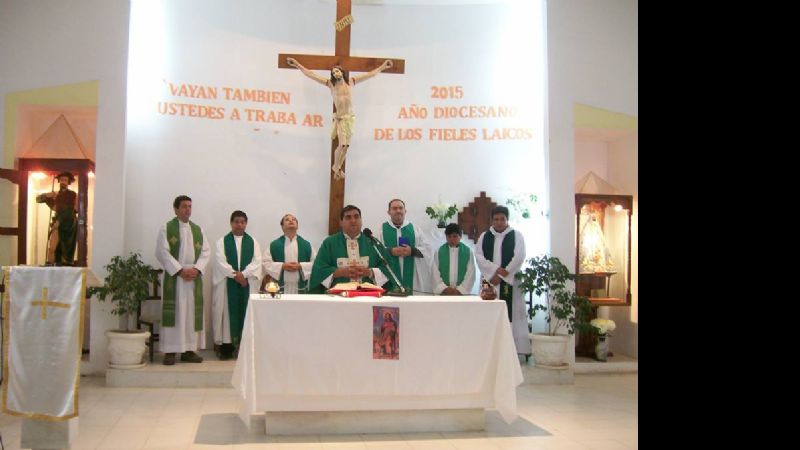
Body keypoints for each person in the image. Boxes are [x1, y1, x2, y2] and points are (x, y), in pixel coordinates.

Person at [286, 57, 394, 180]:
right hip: (341, 119)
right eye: (333, 73)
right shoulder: (331, 85)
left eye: (337, 71)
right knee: (342, 145)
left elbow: (370, 74)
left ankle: (338, 167)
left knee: (346, 146)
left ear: (342, 72)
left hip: (350, 119)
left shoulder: (351, 82)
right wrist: (297, 64)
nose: (335, 74)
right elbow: (311, 74)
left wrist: (384, 66)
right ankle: (336, 167)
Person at [155, 195, 211, 365]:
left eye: (190, 206)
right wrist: (179, 270)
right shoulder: (166, 228)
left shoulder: (198, 230)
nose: (188, 209)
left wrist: (196, 269)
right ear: (176, 209)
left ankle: (189, 350)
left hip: (193, 277)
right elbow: (162, 252)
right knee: (176, 313)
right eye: (185, 206)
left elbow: (206, 252)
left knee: (191, 314)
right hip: (176, 278)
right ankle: (171, 351)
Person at [475, 206, 530, 355]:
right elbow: (479, 256)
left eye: (502, 219)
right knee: (488, 314)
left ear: (507, 220)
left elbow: (519, 256)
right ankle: (488, 350)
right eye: (496, 219)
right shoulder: (484, 236)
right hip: (489, 281)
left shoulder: (516, 236)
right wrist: (494, 270)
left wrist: (502, 275)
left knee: (512, 314)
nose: (499, 222)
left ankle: (511, 351)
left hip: (509, 281)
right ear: (492, 220)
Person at [211, 210, 262, 360]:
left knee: (246, 314)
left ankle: (244, 346)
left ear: (246, 223)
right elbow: (220, 262)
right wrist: (237, 276)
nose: (239, 225)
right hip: (228, 284)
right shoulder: (222, 242)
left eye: (242, 222)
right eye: (236, 221)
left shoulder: (253, 242)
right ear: (231, 223)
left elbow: (257, 261)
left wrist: (244, 275)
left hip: (246, 284)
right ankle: (226, 347)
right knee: (227, 315)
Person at [308, 205, 390, 293]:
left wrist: (369, 272)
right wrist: (340, 272)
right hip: (338, 297)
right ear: (341, 222)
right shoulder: (329, 243)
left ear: (361, 220)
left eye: (356, 217)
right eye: (348, 217)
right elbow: (319, 270)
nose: (353, 220)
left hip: (367, 297)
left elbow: (387, 269)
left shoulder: (373, 242)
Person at [375, 199, 432, 295]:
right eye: (394, 208)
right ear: (389, 212)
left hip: (412, 280)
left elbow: (427, 249)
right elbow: (374, 250)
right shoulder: (381, 229)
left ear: (405, 211)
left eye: (401, 208)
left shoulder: (415, 229)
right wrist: (390, 251)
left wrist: (412, 251)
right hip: (389, 278)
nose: (398, 211)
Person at [263, 213, 316, 295]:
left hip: (300, 288)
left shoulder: (306, 245)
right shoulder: (274, 245)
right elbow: (265, 263)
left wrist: (300, 266)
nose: (291, 220)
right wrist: (282, 266)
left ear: (297, 226)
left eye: (294, 219)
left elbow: (316, 264)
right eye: (287, 220)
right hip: (279, 288)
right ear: (282, 226)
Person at [36, 171, 77, 265]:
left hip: (68, 223)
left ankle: (63, 264)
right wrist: (47, 195)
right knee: (52, 247)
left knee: (65, 247)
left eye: (65, 180)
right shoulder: (55, 194)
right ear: (59, 181)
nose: (63, 182)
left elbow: (68, 209)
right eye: (62, 180)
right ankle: (51, 263)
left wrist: (59, 221)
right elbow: (38, 199)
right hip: (57, 222)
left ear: (68, 182)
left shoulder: (71, 194)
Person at [432, 223, 476, 296]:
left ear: (460, 236)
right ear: (446, 237)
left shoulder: (467, 252)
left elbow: (470, 273)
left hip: (460, 294)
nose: (452, 239)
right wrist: (444, 289)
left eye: (455, 236)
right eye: (449, 236)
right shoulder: (439, 252)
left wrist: (460, 290)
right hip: (444, 293)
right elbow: (435, 273)